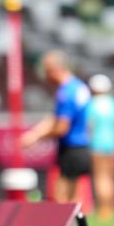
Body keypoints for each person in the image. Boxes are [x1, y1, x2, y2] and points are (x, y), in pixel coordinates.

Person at [20, 51, 91, 204]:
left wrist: (37, 137)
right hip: (81, 144)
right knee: (73, 194)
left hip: (71, 146)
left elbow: (61, 127)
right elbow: (56, 118)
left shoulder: (66, 92)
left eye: (47, 71)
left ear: (55, 69)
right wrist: (36, 133)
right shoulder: (78, 87)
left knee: (61, 195)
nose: (46, 76)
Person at [85, 74, 114, 221]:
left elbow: (88, 126)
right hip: (113, 144)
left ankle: (103, 210)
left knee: (100, 177)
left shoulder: (91, 105)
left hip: (97, 144)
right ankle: (110, 208)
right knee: (110, 177)